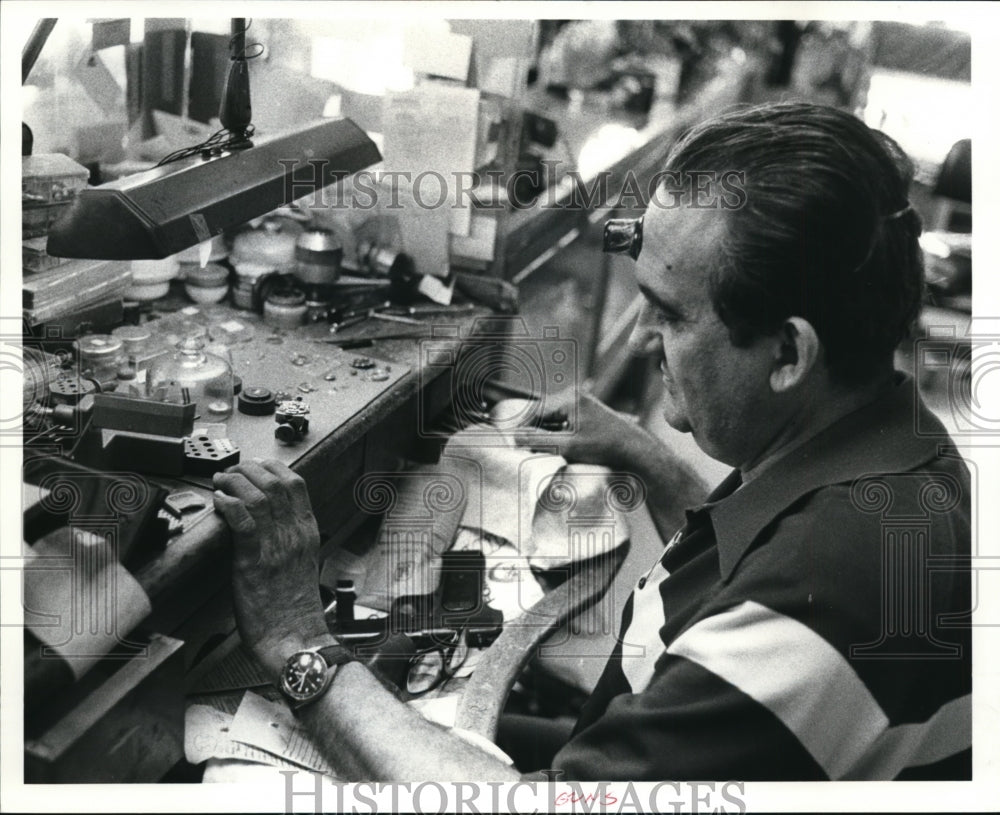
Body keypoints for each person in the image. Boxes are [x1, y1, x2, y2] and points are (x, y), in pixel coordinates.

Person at [212, 102, 971, 781]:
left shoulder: (825, 596)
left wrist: (296, 642)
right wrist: (641, 452)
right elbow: (752, 564)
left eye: (669, 315)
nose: (644, 340)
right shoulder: (889, 447)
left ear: (788, 355)